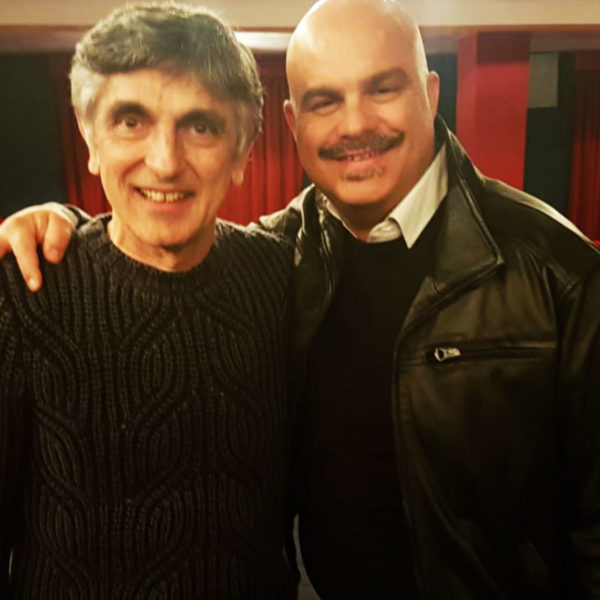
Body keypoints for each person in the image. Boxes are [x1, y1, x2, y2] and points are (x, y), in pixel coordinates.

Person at [2, 0, 600, 598]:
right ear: (292, 123)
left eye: (383, 89)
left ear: (430, 93)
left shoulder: (558, 271)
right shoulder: (282, 255)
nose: (354, 124)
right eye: (324, 101)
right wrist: (57, 226)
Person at [0, 3, 297, 599]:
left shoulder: (280, 277)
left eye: (201, 126)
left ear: (242, 153)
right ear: (90, 138)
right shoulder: (25, 292)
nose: (164, 161)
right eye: (131, 120)